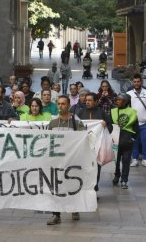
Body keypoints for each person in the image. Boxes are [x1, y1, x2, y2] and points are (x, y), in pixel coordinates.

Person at [47, 95, 84, 225]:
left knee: (72, 186)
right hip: (56, 162)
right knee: (55, 187)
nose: (60, 106)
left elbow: (82, 140)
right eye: (58, 104)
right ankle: (56, 215)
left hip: (72, 162)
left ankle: (74, 208)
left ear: (68, 105)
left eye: (63, 104)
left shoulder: (77, 123)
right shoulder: (52, 124)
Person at [77, 93, 113, 192]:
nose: (87, 102)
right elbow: (75, 128)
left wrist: (105, 125)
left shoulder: (102, 113)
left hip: (97, 146)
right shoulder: (80, 113)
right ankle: (84, 189)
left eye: (90, 100)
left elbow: (110, 127)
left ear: (96, 102)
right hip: (83, 146)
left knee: (96, 168)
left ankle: (94, 189)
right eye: (86, 100)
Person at [127, 73, 146, 168]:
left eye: (138, 81)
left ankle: (145, 159)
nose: (136, 83)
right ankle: (134, 159)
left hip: (145, 122)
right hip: (133, 123)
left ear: (141, 82)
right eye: (135, 82)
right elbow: (126, 107)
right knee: (134, 141)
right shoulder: (129, 94)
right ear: (132, 82)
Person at [111, 93, 138, 189]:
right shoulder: (113, 111)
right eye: (117, 99)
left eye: (119, 100)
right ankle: (117, 175)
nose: (117, 101)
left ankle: (124, 180)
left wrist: (133, 138)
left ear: (125, 102)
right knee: (116, 161)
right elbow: (110, 126)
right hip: (116, 140)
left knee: (126, 161)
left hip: (127, 140)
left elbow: (136, 127)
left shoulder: (132, 112)